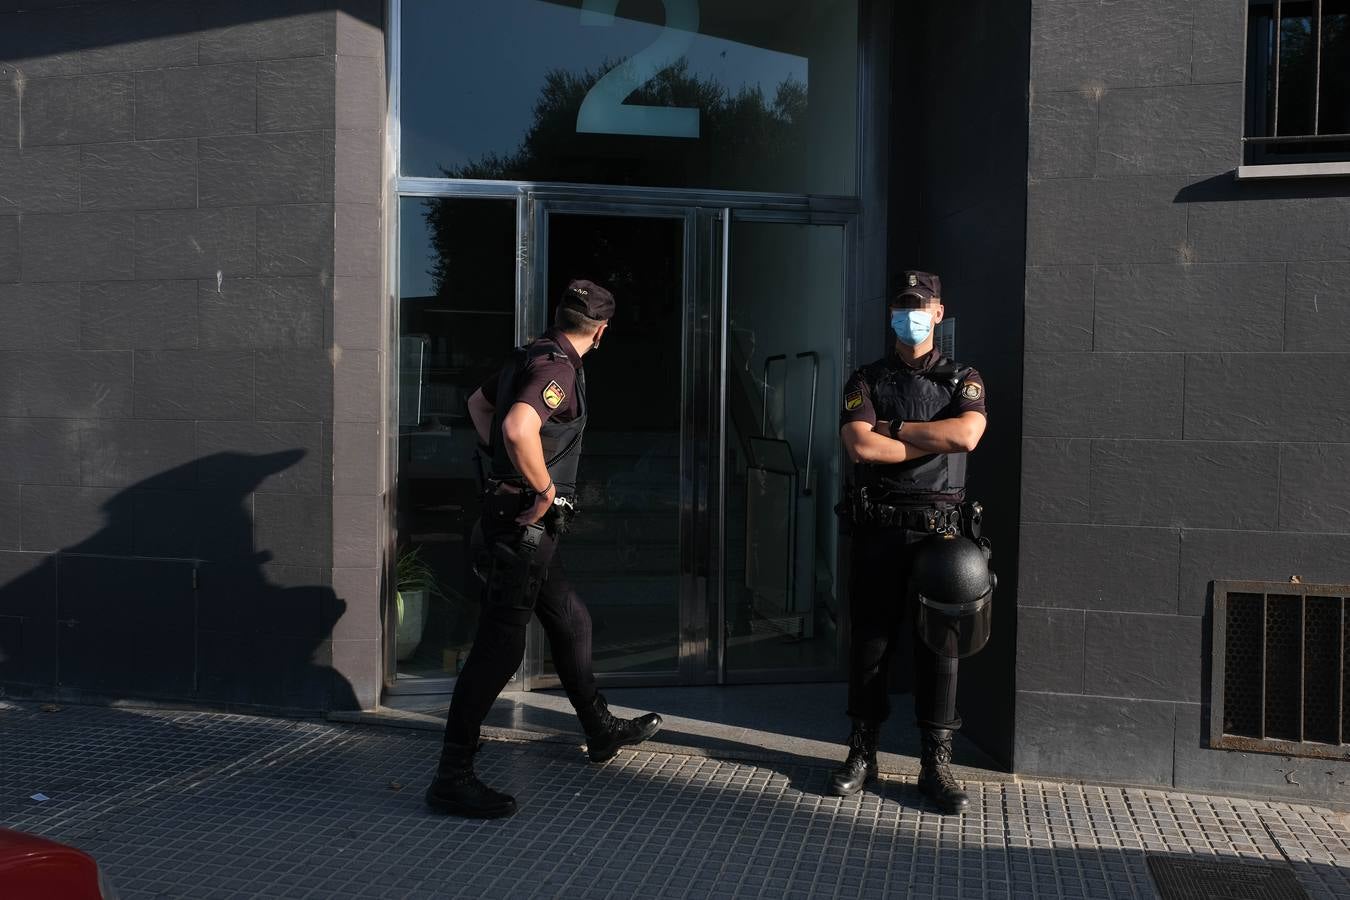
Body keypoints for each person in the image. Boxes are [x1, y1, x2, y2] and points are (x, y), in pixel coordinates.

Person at [425, 279, 663, 819]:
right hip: (523, 526)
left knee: (571, 620)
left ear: (560, 316)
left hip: (520, 523)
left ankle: (599, 729)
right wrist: (541, 489)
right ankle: (451, 775)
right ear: (601, 331)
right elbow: (515, 424)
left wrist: (506, 474)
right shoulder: (558, 369)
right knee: (500, 649)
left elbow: (477, 405)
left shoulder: (530, 354)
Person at [829, 270, 988, 814]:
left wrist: (892, 430)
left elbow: (965, 435)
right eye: (902, 306)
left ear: (939, 313)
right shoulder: (865, 378)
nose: (910, 314)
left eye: (920, 306)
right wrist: (920, 438)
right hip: (879, 526)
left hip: (940, 536)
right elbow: (860, 447)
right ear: (890, 314)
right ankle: (862, 752)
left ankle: (935, 762)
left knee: (940, 651)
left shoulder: (962, 378)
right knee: (870, 643)